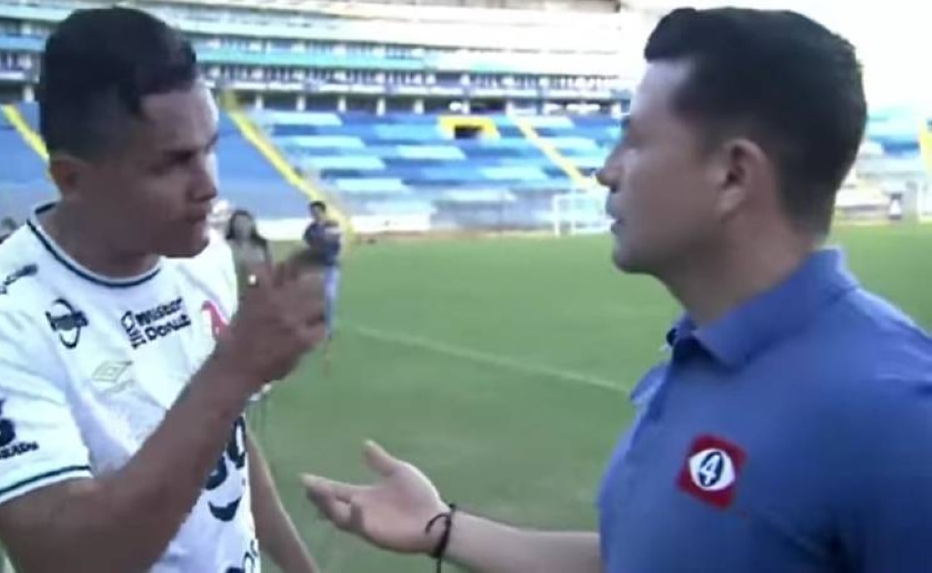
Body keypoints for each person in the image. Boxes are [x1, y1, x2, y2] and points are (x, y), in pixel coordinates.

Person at [303, 8, 932, 573]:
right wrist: (445, 529)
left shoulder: (896, 416)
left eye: (634, 140)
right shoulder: (699, 351)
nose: (606, 171)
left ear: (733, 174)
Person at [0, 7, 324, 573]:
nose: (210, 185)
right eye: (173, 163)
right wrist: (235, 367)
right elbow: (68, 560)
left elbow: (223, 438)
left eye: (210, 147)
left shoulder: (205, 256)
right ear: (73, 179)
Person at [303, 201, 342, 371]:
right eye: (313, 212)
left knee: (329, 295)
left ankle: (328, 326)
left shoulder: (332, 226)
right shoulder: (310, 229)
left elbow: (335, 243)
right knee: (314, 296)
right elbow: (311, 245)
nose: (315, 214)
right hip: (316, 266)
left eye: (317, 211)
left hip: (330, 266)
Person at [226, 208, 273, 296]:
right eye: (238, 223)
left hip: (257, 290)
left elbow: (270, 268)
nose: (241, 226)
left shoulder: (262, 245)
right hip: (232, 290)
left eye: (245, 222)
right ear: (232, 226)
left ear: (251, 224)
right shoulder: (225, 247)